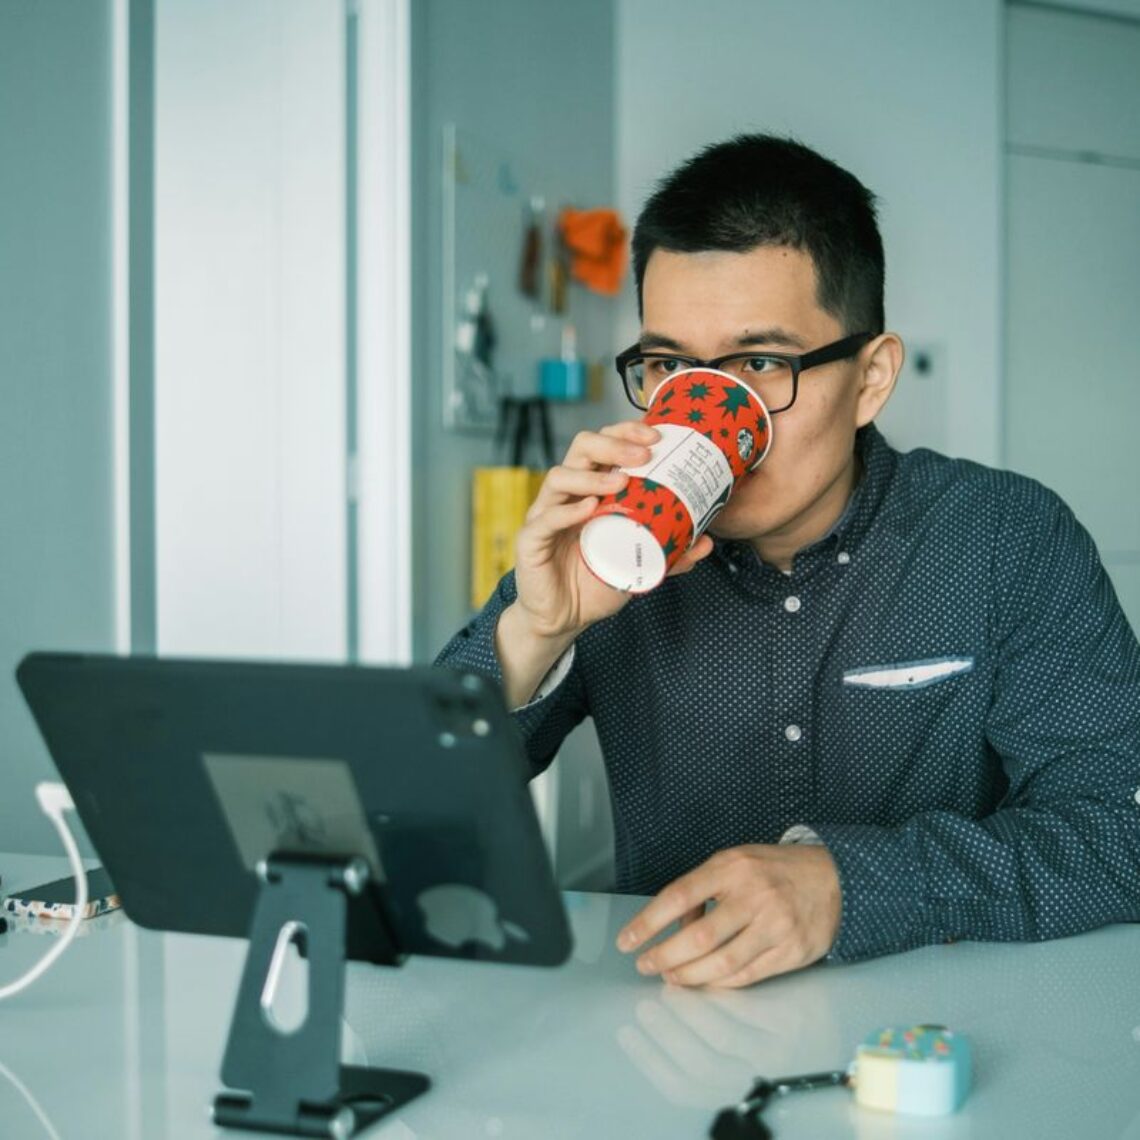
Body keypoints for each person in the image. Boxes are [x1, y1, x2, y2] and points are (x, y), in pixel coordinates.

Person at [436, 134, 1140, 988]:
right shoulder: (614, 548)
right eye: (670, 367)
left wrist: (858, 885)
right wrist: (536, 629)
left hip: (941, 1030)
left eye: (760, 363)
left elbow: (1122, 829)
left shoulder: (1003, 537)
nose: (702, 421)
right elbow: (409, 809)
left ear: (872, 378)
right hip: (672, 1029)